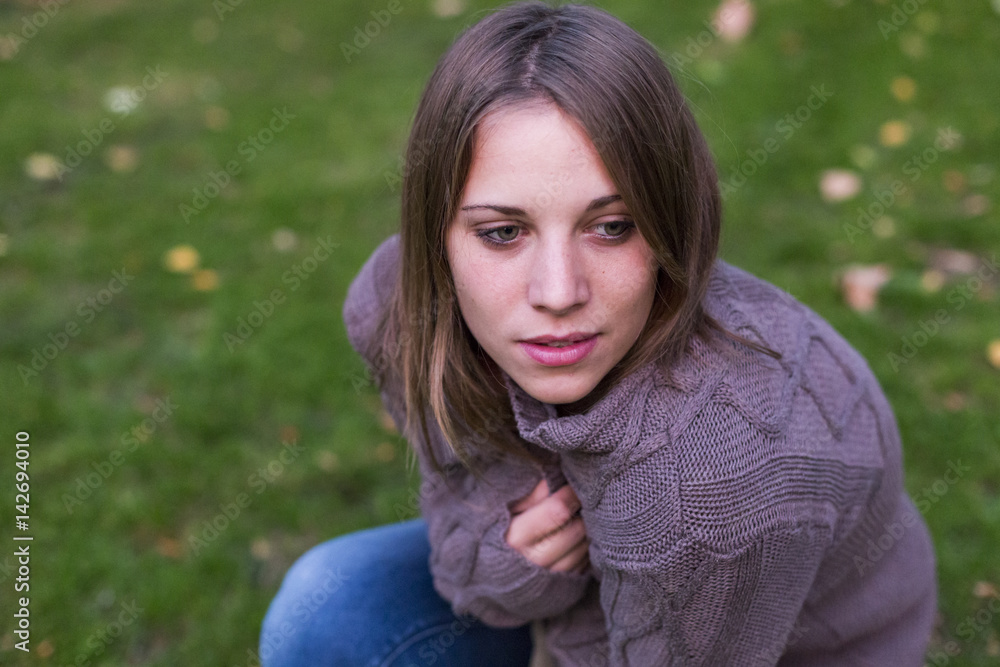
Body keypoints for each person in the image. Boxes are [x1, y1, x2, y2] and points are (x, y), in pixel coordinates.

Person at [259, 2, 938, 665]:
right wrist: (504, 560)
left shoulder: (709, 483)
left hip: (759, 638)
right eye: (503, 232)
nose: (558, 293)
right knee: (324, 611)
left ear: (673, 222)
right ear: (437, 234)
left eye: (612, 226)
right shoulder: (399, 308)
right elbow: (461, 499)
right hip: (599, 592)